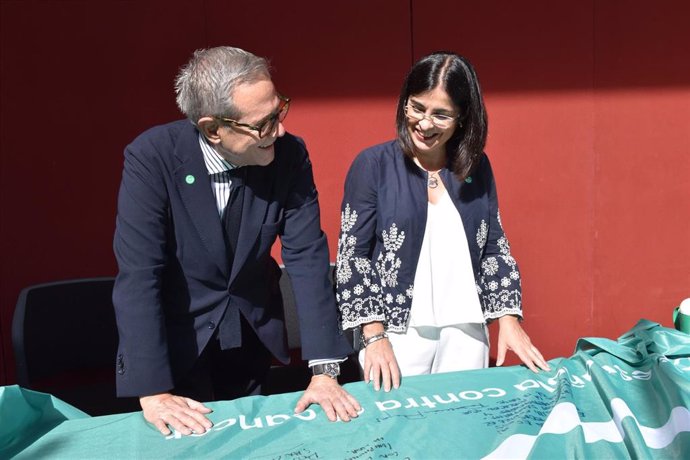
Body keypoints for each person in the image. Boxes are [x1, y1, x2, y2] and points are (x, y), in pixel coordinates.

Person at [113, 46, 360, 436]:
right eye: (263, 123)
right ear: (213, 129)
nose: (278, 130)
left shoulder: (288, 155)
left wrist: (325, 369)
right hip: (178, 344)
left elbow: (307, 257)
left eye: (280, 111)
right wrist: (153, 390)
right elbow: (140, 273)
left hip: (252, 336)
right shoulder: (153, 158)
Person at [335, 51, 550, 392]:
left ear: (462, 117)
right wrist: (374, 336)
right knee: (397, 436)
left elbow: (494, 245)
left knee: (464, 433)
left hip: (466, 331)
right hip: (396, 335)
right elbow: (353, 256)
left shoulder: (477, 167)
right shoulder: (372, 165)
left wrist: (508, 318)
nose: (424, 123)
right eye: (416, 107)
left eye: (441, 114)